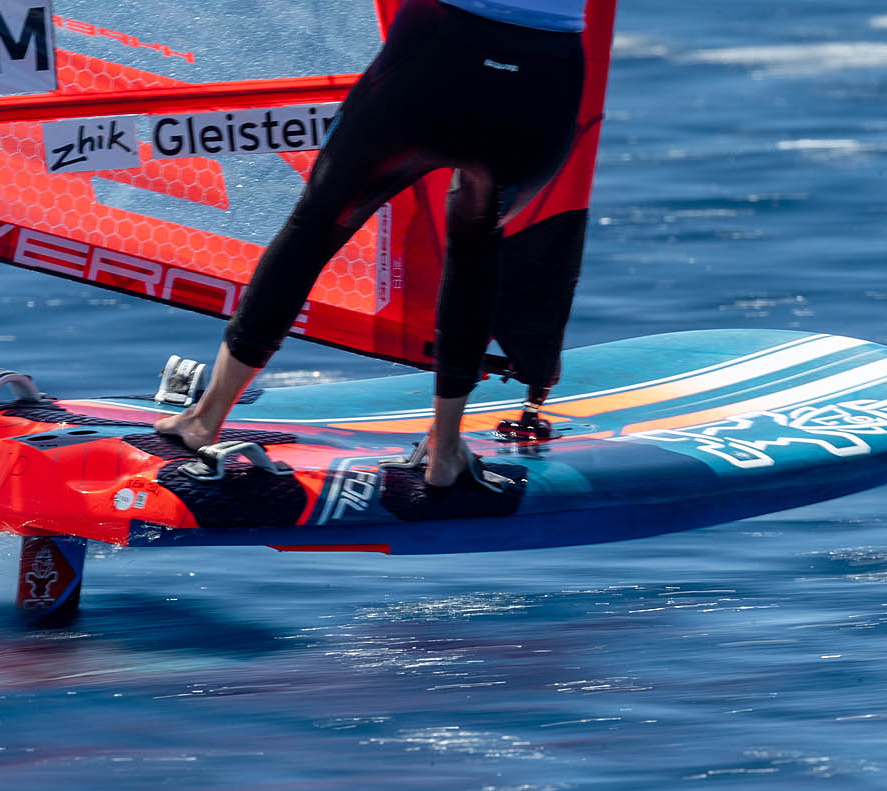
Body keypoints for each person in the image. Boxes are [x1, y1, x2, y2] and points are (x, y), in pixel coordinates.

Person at [155, 0, 587, 488]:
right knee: (477, 242)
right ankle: (444, 450)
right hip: (547, 77)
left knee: (314, 229)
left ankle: (206, 418)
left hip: (438, 50)